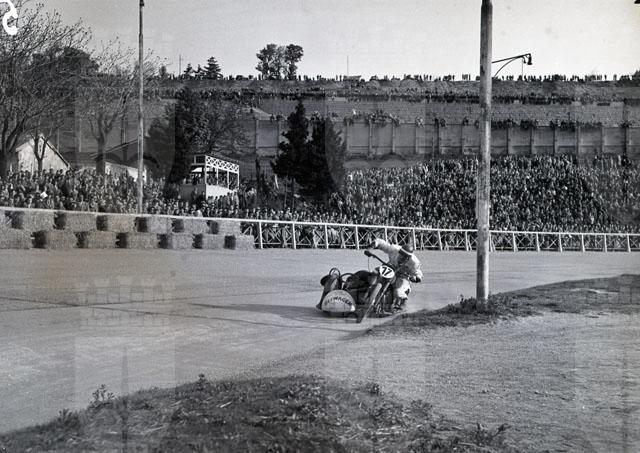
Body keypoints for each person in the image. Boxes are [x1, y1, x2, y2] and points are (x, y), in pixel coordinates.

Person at [368, 239, 423, 312]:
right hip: (389, 268)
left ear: (409, 257)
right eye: (401, 254)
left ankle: (400, 305)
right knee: (375, 272)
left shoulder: (414, 263)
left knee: (398, 292)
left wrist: (416, 278)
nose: (402, 257)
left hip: (403, 276)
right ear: (399, 251)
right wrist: (375, 243)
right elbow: (383, 245)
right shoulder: (394, 249)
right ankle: (367, 292)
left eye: (405, 256)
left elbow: (418, 272)